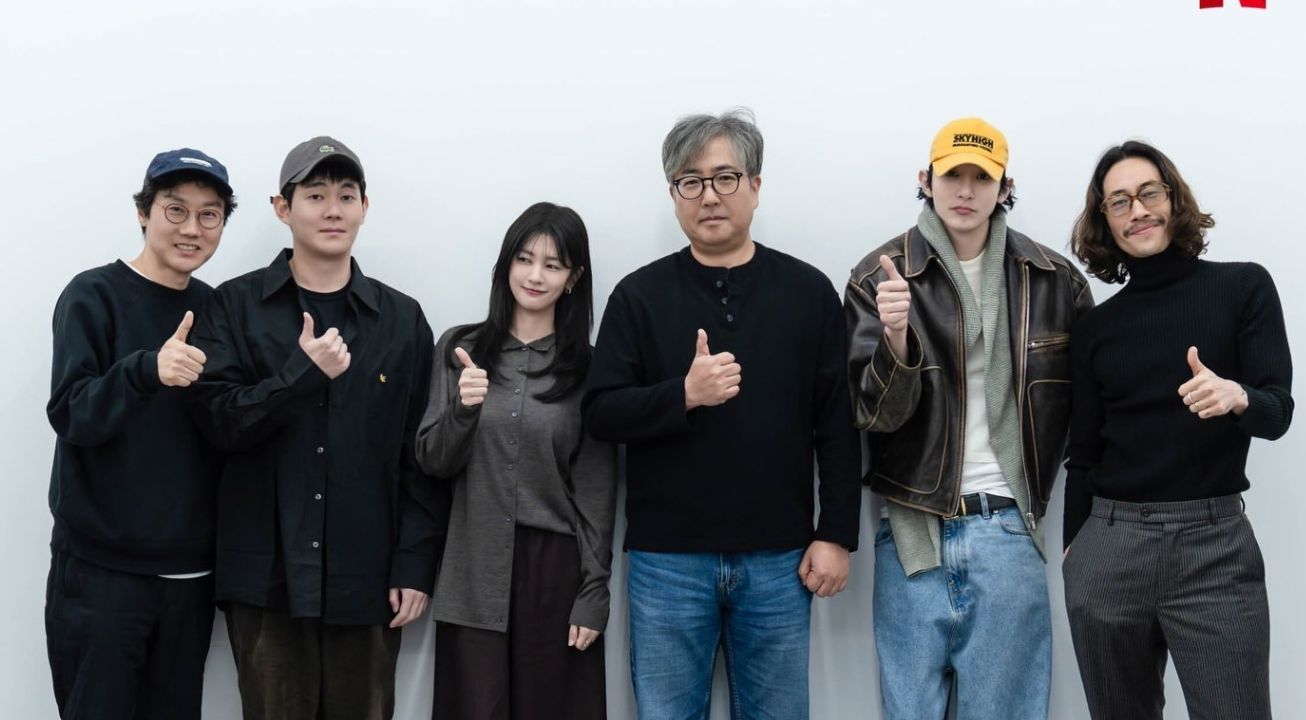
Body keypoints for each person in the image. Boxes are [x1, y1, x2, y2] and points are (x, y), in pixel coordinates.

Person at [583, 109, 861, 720]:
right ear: (673, 196)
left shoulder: (808, 292)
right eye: (691, 181)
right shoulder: (638, 296)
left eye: (725, 178)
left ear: (755, 186)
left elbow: (837, 424)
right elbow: (601, 413)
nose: (709, 196)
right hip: (667, 562)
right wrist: (682, 395)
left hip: (780, 559)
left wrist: (837, 533)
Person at [188, 136, 445, 720]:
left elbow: (418, 456)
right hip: (265, 577)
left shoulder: (402, 320)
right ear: (282, 208)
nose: (333, 210)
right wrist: (300, 376)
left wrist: (414, 564)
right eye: (315, 195)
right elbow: (219, 423)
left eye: (347, 196)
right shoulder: (233, 306)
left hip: (367, 577)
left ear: (365, 208)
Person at [845, 117, 1092, 719]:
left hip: (1007, 528)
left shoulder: (1055, 280)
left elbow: (1090, 415)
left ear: (1005, 187)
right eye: (952, 174)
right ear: (925, 179)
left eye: (981, 177)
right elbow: (873, 416)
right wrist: (896, 338)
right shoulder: (880, 276)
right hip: (912, 532)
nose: (964, 190)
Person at [1064, 140, 1293, 719]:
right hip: (1109, 548)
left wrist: (1237, 396)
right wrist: (1074, 552)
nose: (1138, 210)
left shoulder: (1244, 287)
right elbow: (1083, 453)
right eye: (1119, 202)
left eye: (1148, 193)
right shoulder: (1096, 328)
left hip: (1213, 549)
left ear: (1173, 198)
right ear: (1105, 221)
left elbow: (1278, 412)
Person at [45, 147, 236, 719]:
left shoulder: (217, 309)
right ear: (143, 213)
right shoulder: (93, 294)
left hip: (190, 577)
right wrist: (147, 370)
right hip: (102, 574)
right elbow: (71, 412)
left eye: (208, 214)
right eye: (176, 210)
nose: (192, 228)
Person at [416, 201, 616, 720]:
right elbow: (433, 461)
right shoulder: (459, 348)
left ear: (573, 278)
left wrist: (594, 591)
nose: (535, 276)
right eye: (524, 259)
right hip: (472, 563)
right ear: (505, 264)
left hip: (554, 572)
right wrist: (463, 409)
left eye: (553, 264)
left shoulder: (590, 369)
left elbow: (595, 490)